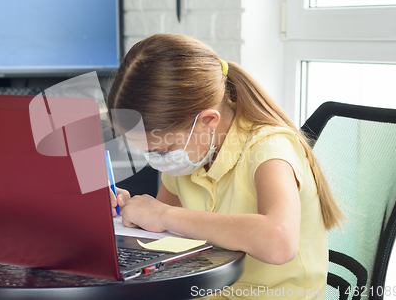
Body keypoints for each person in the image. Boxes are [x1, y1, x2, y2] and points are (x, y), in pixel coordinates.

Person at [107, 34, 343, 299]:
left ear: (208, 120)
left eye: (162, 150)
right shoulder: (190, 154)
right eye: (147, 151)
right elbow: (163, 236)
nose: (157, 160)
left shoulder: (269, 148)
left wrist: (162, 215)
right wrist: (129, 216)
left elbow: (279, 242)